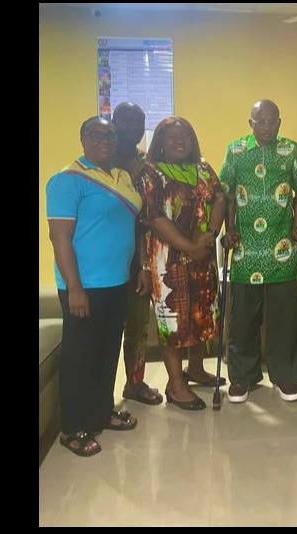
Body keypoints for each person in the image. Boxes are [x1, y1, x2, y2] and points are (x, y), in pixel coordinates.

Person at [46, 116, 142, 457]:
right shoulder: (67, 180)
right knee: (80, 357)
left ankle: (102, 412)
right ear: (83, 139)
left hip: (117, 282)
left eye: (111, 135)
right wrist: (74, 288)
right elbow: (60, 238)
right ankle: (72, 428)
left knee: (107, 352)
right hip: (84, 286)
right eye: (97, 135)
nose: (105, 140)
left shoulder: (123, 176)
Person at [217, 99, 297, 403]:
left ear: (279, 123)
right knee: (243, 317)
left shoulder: (291, 150)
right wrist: (229, 229)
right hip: (245, 250)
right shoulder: (235, 150)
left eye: (273, 121)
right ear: (251, 123)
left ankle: (286, 376)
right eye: (261, 121)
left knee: (286, 317)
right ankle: (242, 378)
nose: (267, 127)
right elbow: (227, 194)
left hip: (281, 247)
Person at [140, 116, 228, 411]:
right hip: (169, 263)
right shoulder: (151, 173)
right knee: (174, 322)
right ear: (160, 143)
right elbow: (154, 217)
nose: (180, 142)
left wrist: (211, 234)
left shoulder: (203, 168)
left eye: (186, 137)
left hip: (203, 258)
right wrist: (191, 247)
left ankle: (196, 369)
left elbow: (220, 198)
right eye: (173, 138)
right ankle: (176, 385)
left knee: (201, 314)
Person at [112, 101, 163, 406]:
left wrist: (144, 264)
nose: (132, 127)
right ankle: (99, 392)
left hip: (140, 256)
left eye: (138, 122)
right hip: (104, 256)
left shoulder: (146, 163)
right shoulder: (101, 161)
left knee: (138, 324)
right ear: (114, 122)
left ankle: (134, 383)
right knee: (105, 327)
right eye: (126, 120)